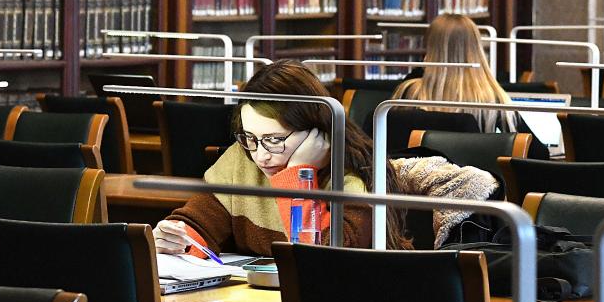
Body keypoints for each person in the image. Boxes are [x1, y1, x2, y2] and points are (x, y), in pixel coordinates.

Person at [153, 60, 411, 256]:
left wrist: (299, 176)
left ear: (317, 130)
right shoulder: (243, 157)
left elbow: (321, 258)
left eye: (275, 140)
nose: (261, 155)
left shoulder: (353, 177)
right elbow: (199, 222)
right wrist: (178, 239)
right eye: (250, 137)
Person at [391, 13, 549, 159]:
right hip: (476, 185)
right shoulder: (493, 98)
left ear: (431, 48)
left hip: (415, 185)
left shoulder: (408, 92)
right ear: (476, 48)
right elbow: (539, 153)